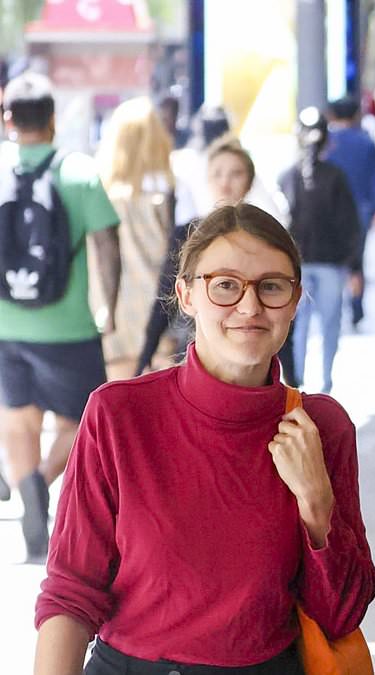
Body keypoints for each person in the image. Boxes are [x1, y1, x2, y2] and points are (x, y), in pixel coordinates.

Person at [34, 202, 375, 675]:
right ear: (187, 295)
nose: (250, 306)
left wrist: (316, 504)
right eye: (226, 286)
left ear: (295, 302)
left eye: (272, 287)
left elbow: (342, 613)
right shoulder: (119, 414)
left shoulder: (320, 427)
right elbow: (71, 591)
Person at [0, 72, 121, 563]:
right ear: (52, 119)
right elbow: (106, 242)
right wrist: (107, 305)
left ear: (9, 119)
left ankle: (30, 499)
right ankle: (42, 486)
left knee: (17, 420)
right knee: (81, 422)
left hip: (6, 325)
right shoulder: (78, 171)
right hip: (68, 327)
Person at [135, 136, 260, 375]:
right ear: (207, 179)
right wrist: (145, 356)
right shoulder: (188, 234)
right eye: (217, 174)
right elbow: (165, 294)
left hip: (250, 352)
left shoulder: (265, 238)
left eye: (235, 174)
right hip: (197, 352)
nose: (225, 182)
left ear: (249, 181)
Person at [279, 108, 362, 393]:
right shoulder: (289, 177)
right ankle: (299, 381)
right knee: (300, 324)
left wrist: (354, 265)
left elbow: (349, 223)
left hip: (325, 262)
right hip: (303, 265)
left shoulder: (330, 177)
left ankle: (320, 382)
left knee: (324, 322)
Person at [95, 96, 176, 380]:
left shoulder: (101, 195)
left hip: (113, 314)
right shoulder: (168, 193)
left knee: (118, 406)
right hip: (160, 312)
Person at [323, 96, 375, 329]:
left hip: (330, 210)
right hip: (360, 209)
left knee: (332, 262)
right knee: (357, 262)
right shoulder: (365, 142)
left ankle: (333, 308)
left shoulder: (327, 142)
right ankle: (357, 307)